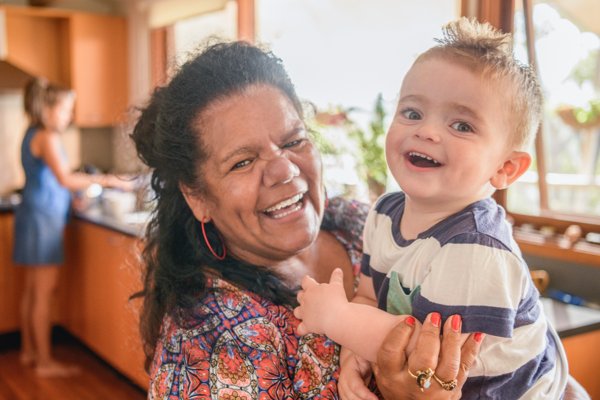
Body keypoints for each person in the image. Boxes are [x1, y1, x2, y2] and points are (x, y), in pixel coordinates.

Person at [131, 41, 487, 400]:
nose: (284, 170)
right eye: (242, 162)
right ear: (197, 196)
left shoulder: (361, 223)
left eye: (293, 141)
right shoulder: (210, 350)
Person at [294, 18, 568, 400]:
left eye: (461, 125)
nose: (427, 131)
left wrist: (336, 320)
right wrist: (352, 357)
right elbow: (371, 299)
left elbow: (430, 354)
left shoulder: (475, 245)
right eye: (412, 112)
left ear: (505, 168)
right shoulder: (386, 212)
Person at [14, 78, 132, 377]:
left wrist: (72, 197)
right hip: (43, 221)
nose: (68, 116)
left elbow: (52, 180)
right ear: (48, 108)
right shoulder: (48, 137)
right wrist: (110, 180)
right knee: (43, 292)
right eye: (65, 109)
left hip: (32, 215)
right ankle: (44, 362)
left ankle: (29, 352)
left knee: (31, 290)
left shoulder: (32, 133)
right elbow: (65, 177)